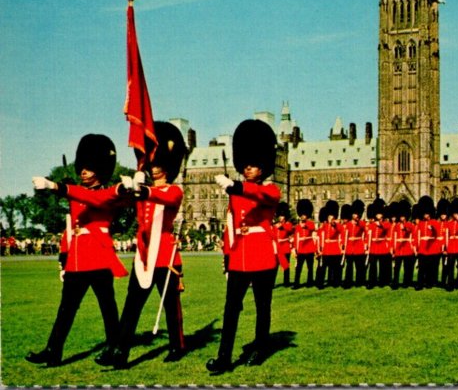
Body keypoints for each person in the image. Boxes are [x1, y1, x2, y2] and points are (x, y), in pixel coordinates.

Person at [27, 134, 129, 368]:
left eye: (90, 167)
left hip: (99, 257)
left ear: (100, 170)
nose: (83, 171)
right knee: (66, 309)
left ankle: (115, 348)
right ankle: (53, 350)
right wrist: (63, 260)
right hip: (77, 260)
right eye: (82, 166)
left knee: (108, 308)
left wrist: (56, 186)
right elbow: (70, 228)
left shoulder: (106, 193)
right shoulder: (76, 191)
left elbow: (94, 199)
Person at [110, 121, 188, 369]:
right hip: (143, 257)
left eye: (159, 165)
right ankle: (120, 352)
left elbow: (162, 196)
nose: (155, 170)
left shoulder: (174, 190)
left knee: (170, 307)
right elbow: (118, 201)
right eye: (152, 165)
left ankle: (177, 346)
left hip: (165, 256)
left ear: (169, 167)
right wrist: (125, 188)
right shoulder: (143, 188)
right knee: (131, 307)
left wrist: (143, 191)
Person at [206, 119, 281, 373]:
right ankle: (224, 356)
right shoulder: (236, 194)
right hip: (239, 257)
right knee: (231, 309)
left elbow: (259, 195)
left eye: (253, 164)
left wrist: (236, 186)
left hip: (261, 256)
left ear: (264, 166)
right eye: (245, 164)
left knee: (262, 307)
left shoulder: (271, 189)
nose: (248, 168)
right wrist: (227, 259)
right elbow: (230, 226)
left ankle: (260, 348)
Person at [316, 200, 343, 289]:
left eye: (332, 216)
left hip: (335, 248)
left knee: (335, 267)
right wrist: (318, 249)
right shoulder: (323, 226)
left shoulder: (337, 225)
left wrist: (334, 224)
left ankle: (335, 282)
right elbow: (319, 237)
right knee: (322, 267)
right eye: (329, 216)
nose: (331, 217)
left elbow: (341, 232)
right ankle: (320, 283)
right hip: (326, 249)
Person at [366, 199, 392, 288]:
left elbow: (387, 232)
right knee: (372, 265)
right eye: (377, 214)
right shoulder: (371, 224)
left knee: (382, 265)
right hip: (373, 246)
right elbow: (368, 235)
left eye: (380, 214)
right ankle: (372, 281)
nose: (379, 215)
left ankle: (382, 281)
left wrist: (380, 224)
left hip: (382, 245)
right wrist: (367, 245)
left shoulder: (386, 223)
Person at [342, 199, 367, 288]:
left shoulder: (361, 223)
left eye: (357, 214)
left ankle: (360, 281)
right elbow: (344, 236)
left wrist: (365, 245)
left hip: (359, 246)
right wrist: (343, 246)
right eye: (354, 214)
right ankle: (348, 282)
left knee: (359, 266)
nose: (355, 215)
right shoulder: (348, 224)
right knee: (349, 267)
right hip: (350, 247)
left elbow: (366, 234)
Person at [292, 199, 316, 289]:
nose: (303, 217)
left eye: (304, 215)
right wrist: (294, 248)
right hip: (301, 249)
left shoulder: (310, 224)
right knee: (298, 268)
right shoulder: (297, 226)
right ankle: (296, 283)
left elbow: (312, 228)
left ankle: (310, 282)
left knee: (310, 267)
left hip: (309, 248)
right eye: (302, 215)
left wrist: (305, 225)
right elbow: (295, 238)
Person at [274, 202, 294, 287]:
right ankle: (272, 283)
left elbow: (289, 229)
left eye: (282, 216)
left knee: (286, 266)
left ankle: (286, 282)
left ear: (285, 216)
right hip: (277, 248)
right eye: (280, 216)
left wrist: (282, 226)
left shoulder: (288, 224)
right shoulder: (276, 225)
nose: (280, 218)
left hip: (285, 247)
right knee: (274, 267)